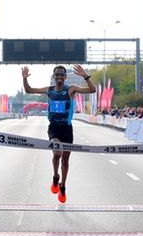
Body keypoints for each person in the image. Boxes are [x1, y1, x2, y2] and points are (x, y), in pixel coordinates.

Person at [22, 64, 95, 203]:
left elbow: (92, 90)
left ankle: (63, 186)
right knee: (57, 152)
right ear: (54, 77)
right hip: (54, 127)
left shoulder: (71, 89)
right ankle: (55, 176)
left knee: (65, 160)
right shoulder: (49, 90)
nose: (60, 76)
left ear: (65, 76)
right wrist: (25, 78)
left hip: (67, 128)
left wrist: (85, 76)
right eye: (57, 74)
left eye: (62, 74)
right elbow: (28, 89)